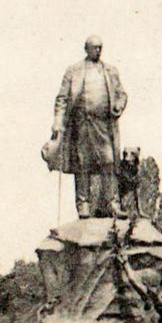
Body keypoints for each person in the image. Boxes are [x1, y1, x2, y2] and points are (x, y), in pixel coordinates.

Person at [45, 35, 127, 219]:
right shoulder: (74, 71)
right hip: (81, 123)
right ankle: (83, 205)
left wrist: (119, 106)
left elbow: (121, 94)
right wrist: (58, 122)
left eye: (100, 47)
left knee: (109, 161)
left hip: (103, 124)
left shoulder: (110, 71)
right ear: (86, 49)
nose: (98, 51)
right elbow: (62, 98)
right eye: (94, 47)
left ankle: (113, 203)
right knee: (83, 164)